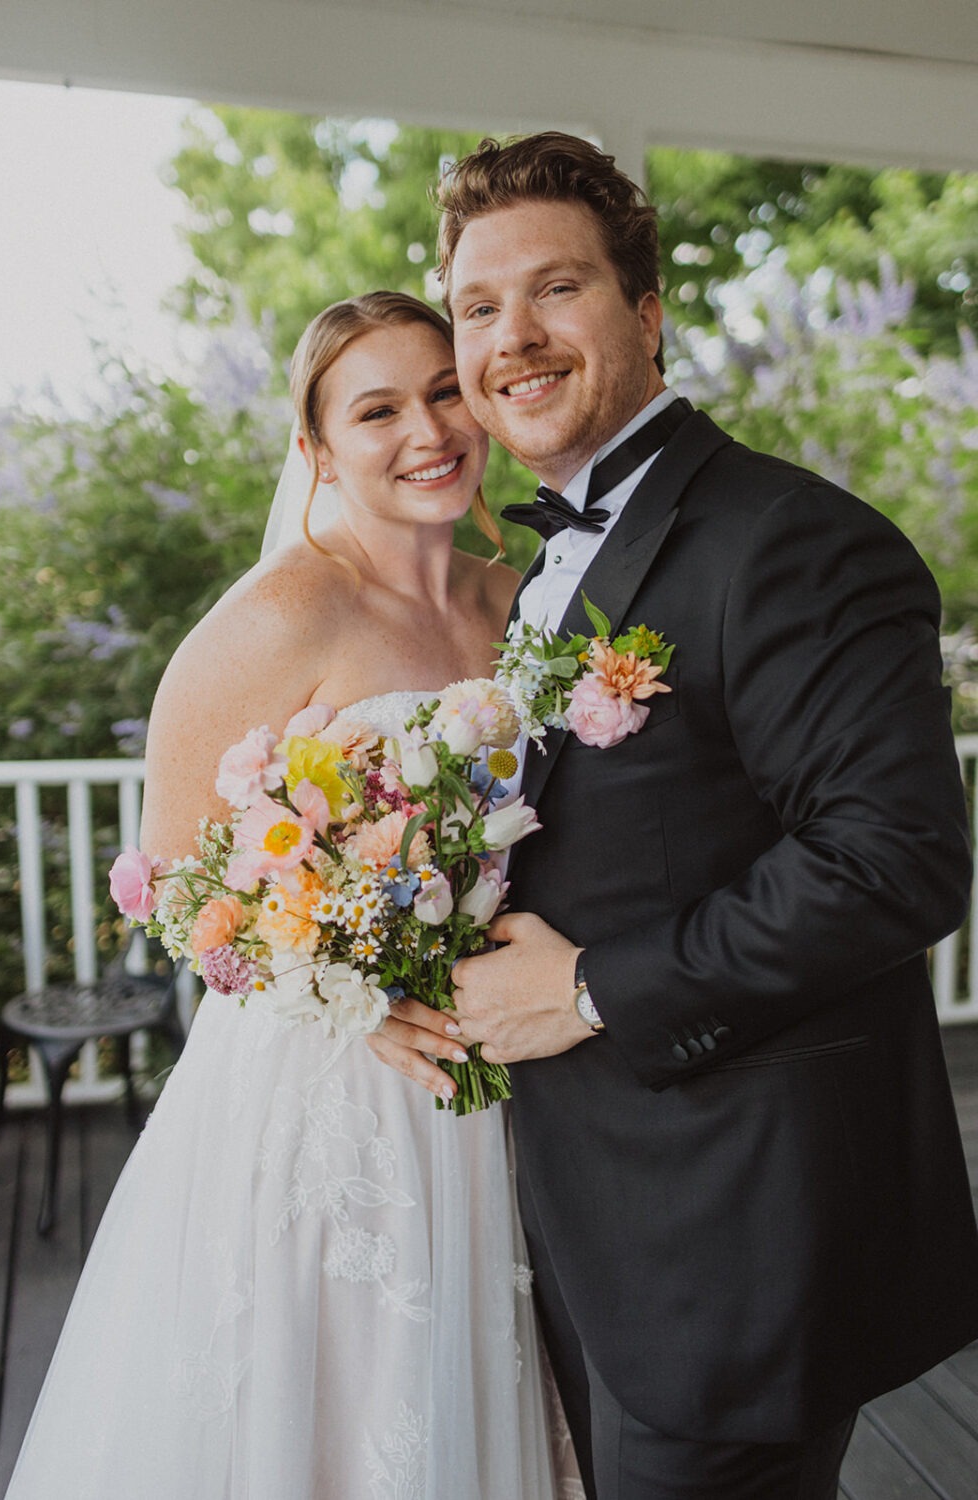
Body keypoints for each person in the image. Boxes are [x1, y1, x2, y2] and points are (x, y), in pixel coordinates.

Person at [368, 134, 978, 1500]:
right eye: (477, 307)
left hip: (733, 1246)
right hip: (579, 1217)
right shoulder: (540, 571)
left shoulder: (790, 541)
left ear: (646, 314)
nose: (511, 338)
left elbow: (896, 862)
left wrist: (585, 989)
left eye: (557, 291)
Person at [4, 292, 583, 1500]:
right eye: (376, 410)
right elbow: (168, 881)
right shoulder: (280, 612)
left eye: (441, 392)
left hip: (499, 1071)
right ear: (317, 451)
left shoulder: (516, 601)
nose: (424, 430)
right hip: (327, 1090)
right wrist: (350, 995)